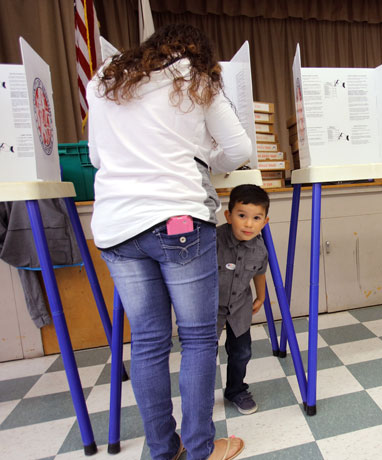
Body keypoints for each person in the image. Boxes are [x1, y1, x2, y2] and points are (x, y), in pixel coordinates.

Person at [87, 24, 249, 460]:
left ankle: (164, 451)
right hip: (177, 218)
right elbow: (238, 149)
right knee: (197, 339)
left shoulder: (104, 79)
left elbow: (96, 158)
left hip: (117, 227)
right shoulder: (196, 79)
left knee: (148, 341)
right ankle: (199, 450)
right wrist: (202, 155)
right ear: (199, 54)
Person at [216, 185, 270, 415]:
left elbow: (259, 272)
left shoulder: (259, 248)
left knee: (242, 352)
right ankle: (199, 395)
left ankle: (236, 390)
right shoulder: (213, 239)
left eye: (256, 218)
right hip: (210, 308)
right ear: (228, 216)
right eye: (242, 216)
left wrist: (262, 296)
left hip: (240, 306)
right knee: (204, 354)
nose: (249, 224)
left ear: (265, 222)